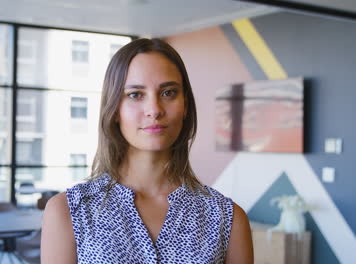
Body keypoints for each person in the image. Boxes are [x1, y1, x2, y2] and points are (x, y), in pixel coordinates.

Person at [41, 38, 253, 263]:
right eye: (135, 94)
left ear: (186, 106)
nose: (154, 109)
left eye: (168, 93)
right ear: (114, 109)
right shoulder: (70, 211)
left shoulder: (226, 218)